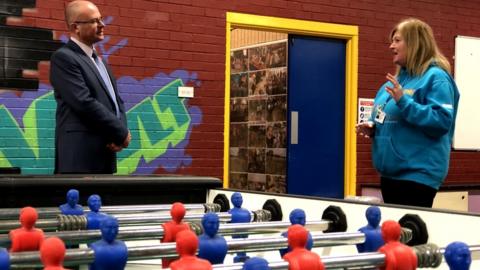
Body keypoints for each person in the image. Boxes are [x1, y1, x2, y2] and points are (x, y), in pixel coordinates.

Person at [356, 18, 460, 207]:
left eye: (397, 40)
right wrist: (372, 127)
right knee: (395, 234)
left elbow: (441, 121)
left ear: (414, 43)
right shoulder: (394, 82)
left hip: (417, 176)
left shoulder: (436, 78)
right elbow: (382, 115)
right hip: (390, 174)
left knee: (409, 234)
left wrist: (404, 101)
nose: (391, 46)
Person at [50, 0, 131, 174]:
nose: (102, 25)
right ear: (76, 27)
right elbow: (83, 102)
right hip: (80, 158)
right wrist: (120, 131)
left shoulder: (99, 62)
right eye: (94, 21)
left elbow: (117, 101)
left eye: (101, 19)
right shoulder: (64, 58)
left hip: (105, 153)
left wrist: (120, 133)